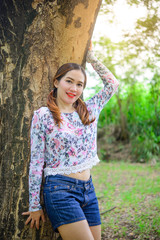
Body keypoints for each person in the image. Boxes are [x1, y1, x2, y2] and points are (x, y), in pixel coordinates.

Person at [22, 43, 119, 240]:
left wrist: (91, 58)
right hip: (60, 191)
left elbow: (113, 85)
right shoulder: (43, 116)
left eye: (80, 84)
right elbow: (36, 162)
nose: (74, 88)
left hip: (88, 190)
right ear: (56, 82)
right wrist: (34, 205)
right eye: (69, 81)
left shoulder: (89, 109)